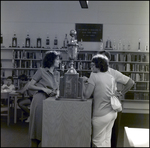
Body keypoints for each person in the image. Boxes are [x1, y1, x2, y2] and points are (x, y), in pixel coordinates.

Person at [83, 54, 134, 147]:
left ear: (98, 65)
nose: (91, 67)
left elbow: (86, 95)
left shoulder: (94, 75)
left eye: (92, 65)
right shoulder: (110, 76)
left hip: (100, 114)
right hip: (112, 113)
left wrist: (83, 82)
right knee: (106, 140)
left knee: (97, 142)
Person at [98, 50, 135, 147]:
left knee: (112, 136)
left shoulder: (113, 73)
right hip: (100, 108)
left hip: (112, 107)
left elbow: (130, 82)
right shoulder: (95, 72)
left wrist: (121, 93)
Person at [28, 51, 61, 147]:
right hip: (40, 101)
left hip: (51, 102)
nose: (59, 61)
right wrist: (43, 89)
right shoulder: (41, 71)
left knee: (47, 131)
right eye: (57, 59)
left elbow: (56, 88)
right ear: (51, 60)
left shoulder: (57, 73)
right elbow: (30, 86)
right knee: (37, 131)